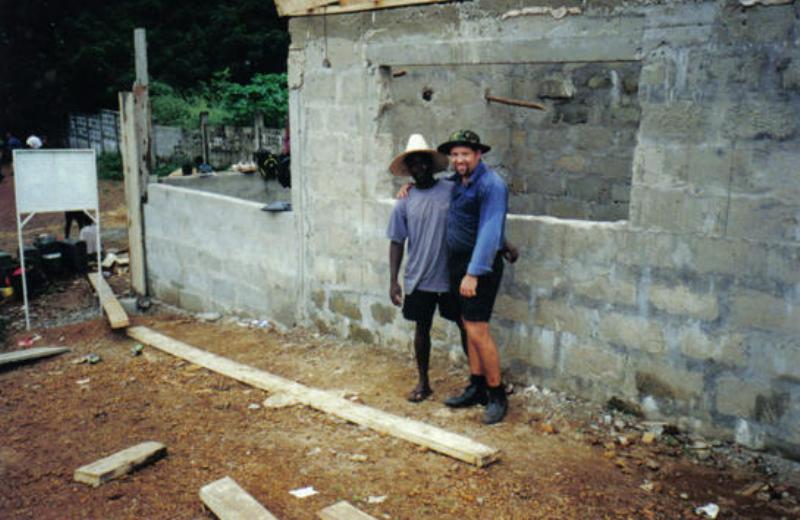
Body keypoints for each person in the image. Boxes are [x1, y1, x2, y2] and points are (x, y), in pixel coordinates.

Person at [387, 134, 465, 402]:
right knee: (422, 329)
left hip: (451, 275)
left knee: (466, 325)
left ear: (431, 164)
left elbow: (473, 193)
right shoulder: (404, 201)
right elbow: (397, 241)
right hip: (420, 277)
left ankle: (480, 381)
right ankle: (423, 382)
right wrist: (393, 281)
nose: (419, 167)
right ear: (408, 169)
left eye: (423, 162)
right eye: (413, 164)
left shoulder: (451, 189)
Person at [439, 130, 510, 425]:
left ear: (478, 154)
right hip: (458, 263)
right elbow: (435, 188)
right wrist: (410, 187)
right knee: (467, 325)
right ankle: (477, 386)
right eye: (455, 154)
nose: (459, 160)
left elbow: (491, 230)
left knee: (478, 329)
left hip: (479, 266)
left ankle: (497, 394)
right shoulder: (457, 182)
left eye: (465, 154)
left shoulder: (492, 184)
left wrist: (473, 273)